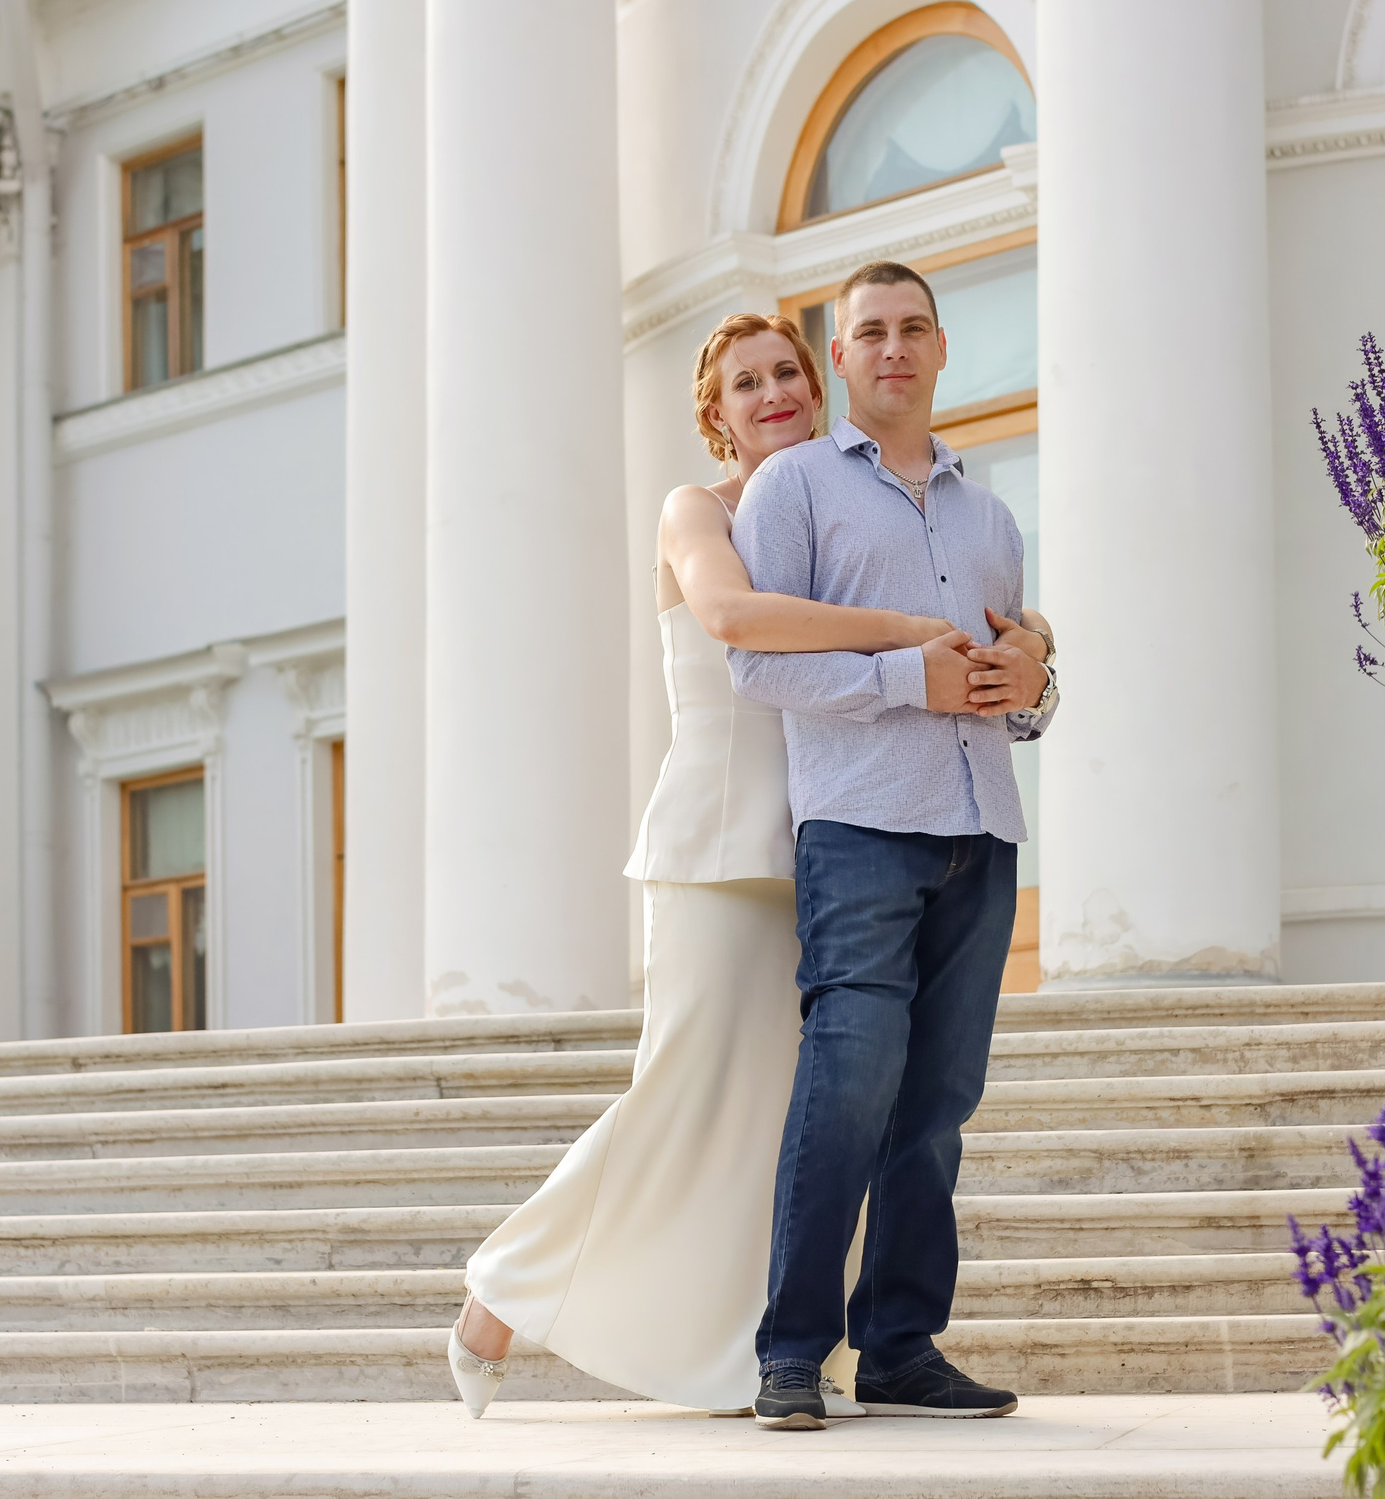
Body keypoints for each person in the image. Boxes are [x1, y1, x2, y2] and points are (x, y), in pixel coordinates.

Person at [445, 310, 1049, 1417]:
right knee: (679, 1092)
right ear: (715, 415)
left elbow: (985, 594)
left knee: (795, 1115)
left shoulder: (834, 505)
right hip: (719, 851)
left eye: (786, 374)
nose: (772, 393)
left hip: (839, 842)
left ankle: (754, 1348)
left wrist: (1034, 636)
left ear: (815, 393)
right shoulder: (698, 511)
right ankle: (504, 1289)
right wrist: (902, 629)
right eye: (746, 384)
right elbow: (731, 616)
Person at [727, 259, 1057, 1429]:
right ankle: (790, 1352)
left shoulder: (990, 514)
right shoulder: (794, 489)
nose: (894, 350)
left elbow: (1016, 682)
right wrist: (898, 679)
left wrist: (1035, 687)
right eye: (870, 332)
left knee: (937, 1104)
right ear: (840, 355)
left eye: (914, 328)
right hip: (860, 828)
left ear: (941, 348)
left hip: (981, 828)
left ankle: (903, 1345)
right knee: (849, 1083)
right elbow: (758, 661)